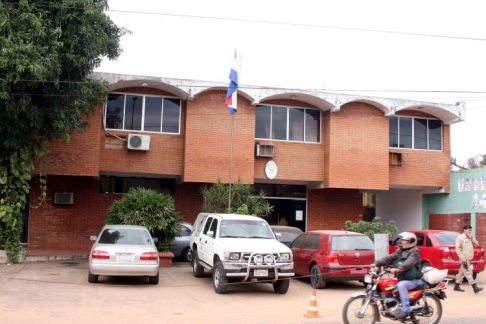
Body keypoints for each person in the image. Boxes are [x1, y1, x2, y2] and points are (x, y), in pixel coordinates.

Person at [370, 232, 423, 319]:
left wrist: (399, 268)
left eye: (405, 241)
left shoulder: (415, 252)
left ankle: (405, 309)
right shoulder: (400, 251)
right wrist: (376, 263)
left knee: (401, 285)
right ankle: (391, 306)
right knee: (386, 283)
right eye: (402, 241)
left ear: (411, 241)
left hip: (414, 280)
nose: (402, 242)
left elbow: (409, 262)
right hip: (402, 277)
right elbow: (390, 258)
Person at [454, 225, 483, 294]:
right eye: (468, 230)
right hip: (464, 259)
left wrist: (472, 238)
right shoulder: (460, 238)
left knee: (461, 273)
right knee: (468, 272)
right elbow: (458, 249)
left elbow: (477, 244)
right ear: (464, 230)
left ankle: (456, 286)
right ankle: (474, 287)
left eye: (470, 230)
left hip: (469, 259)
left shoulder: (470, 238)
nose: (470, 231)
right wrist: (462, 258)